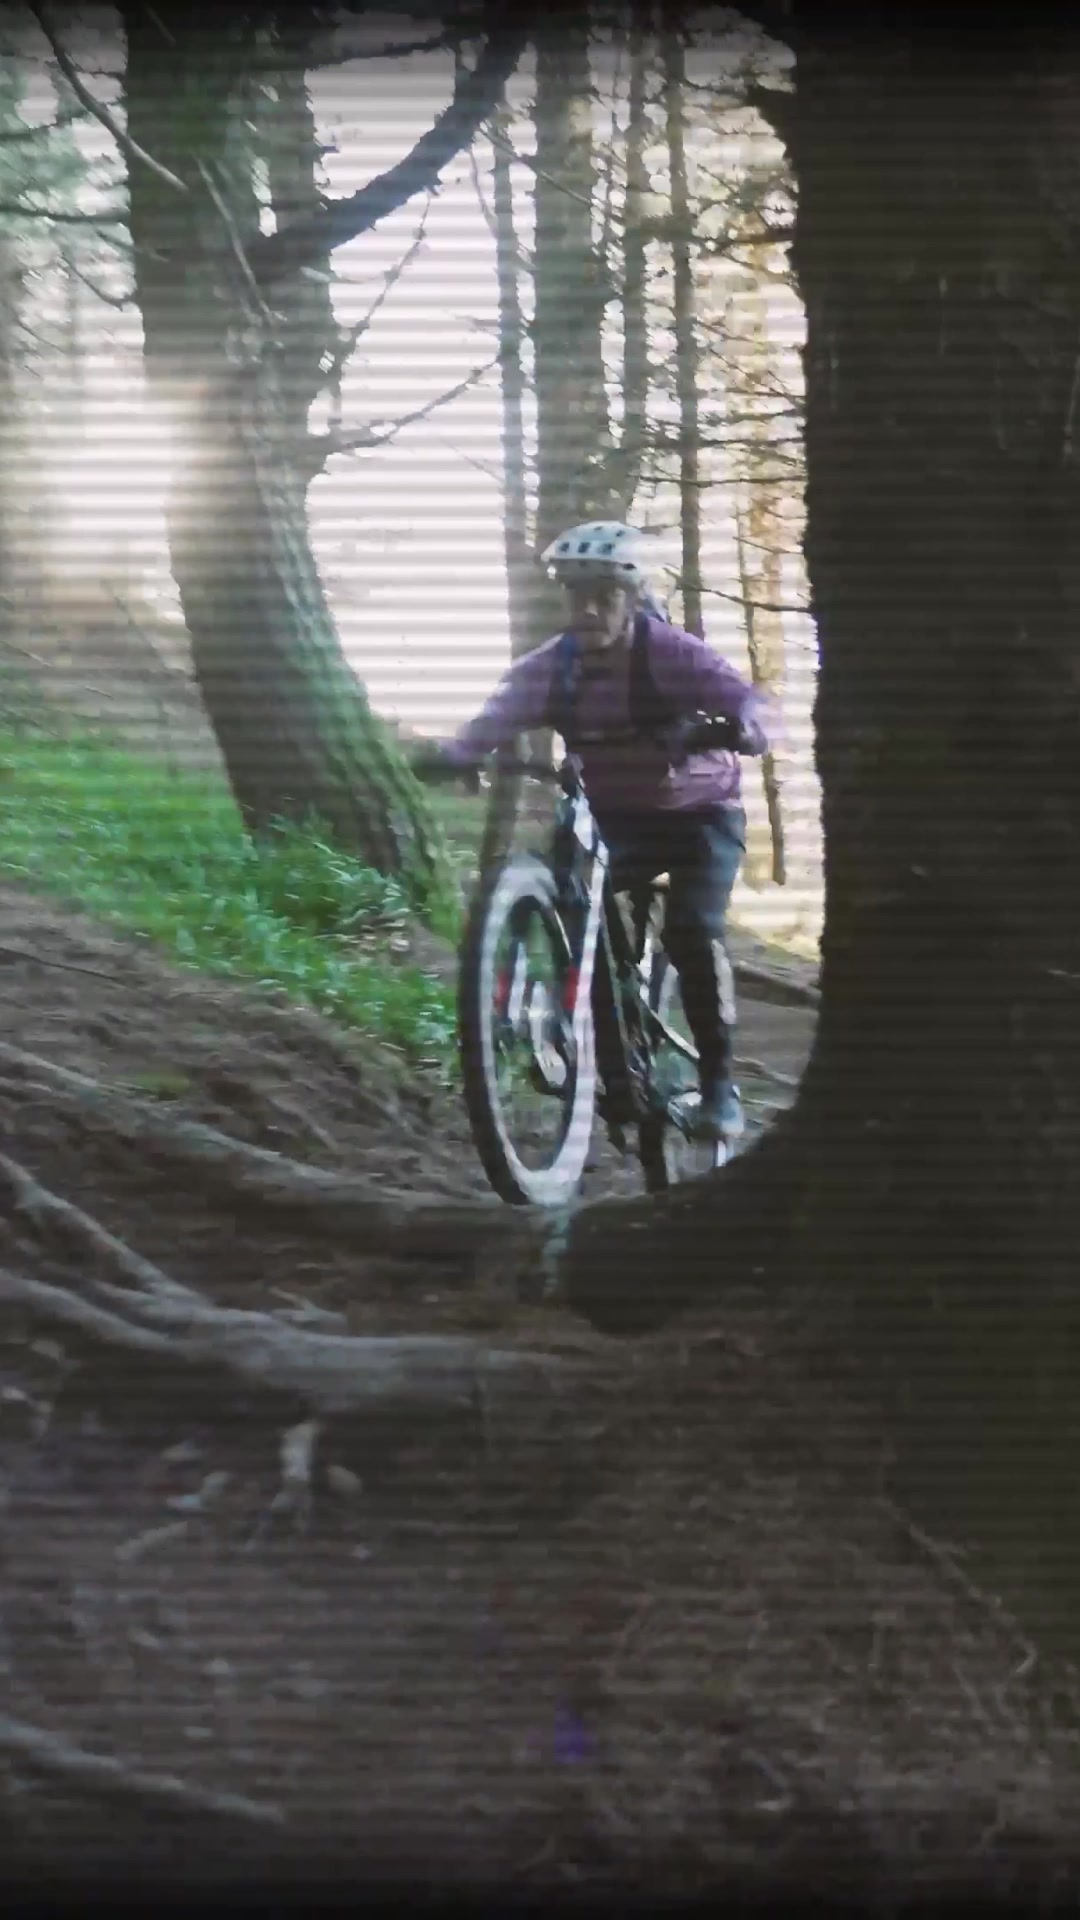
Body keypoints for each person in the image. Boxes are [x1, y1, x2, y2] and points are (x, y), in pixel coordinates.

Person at [413, 520, 774, 1143]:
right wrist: (457, 753)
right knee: (574, 902)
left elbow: (752, 705)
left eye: (603, 596)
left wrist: (733, 729)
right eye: (576, 595)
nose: (588, 610)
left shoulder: (671, 653)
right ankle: (605, 1059)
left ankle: (719, 1088)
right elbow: (495, 716)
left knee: (691, 929)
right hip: (618, 820)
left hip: (701, 816)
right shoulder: (552, 668)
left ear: (631, 598)